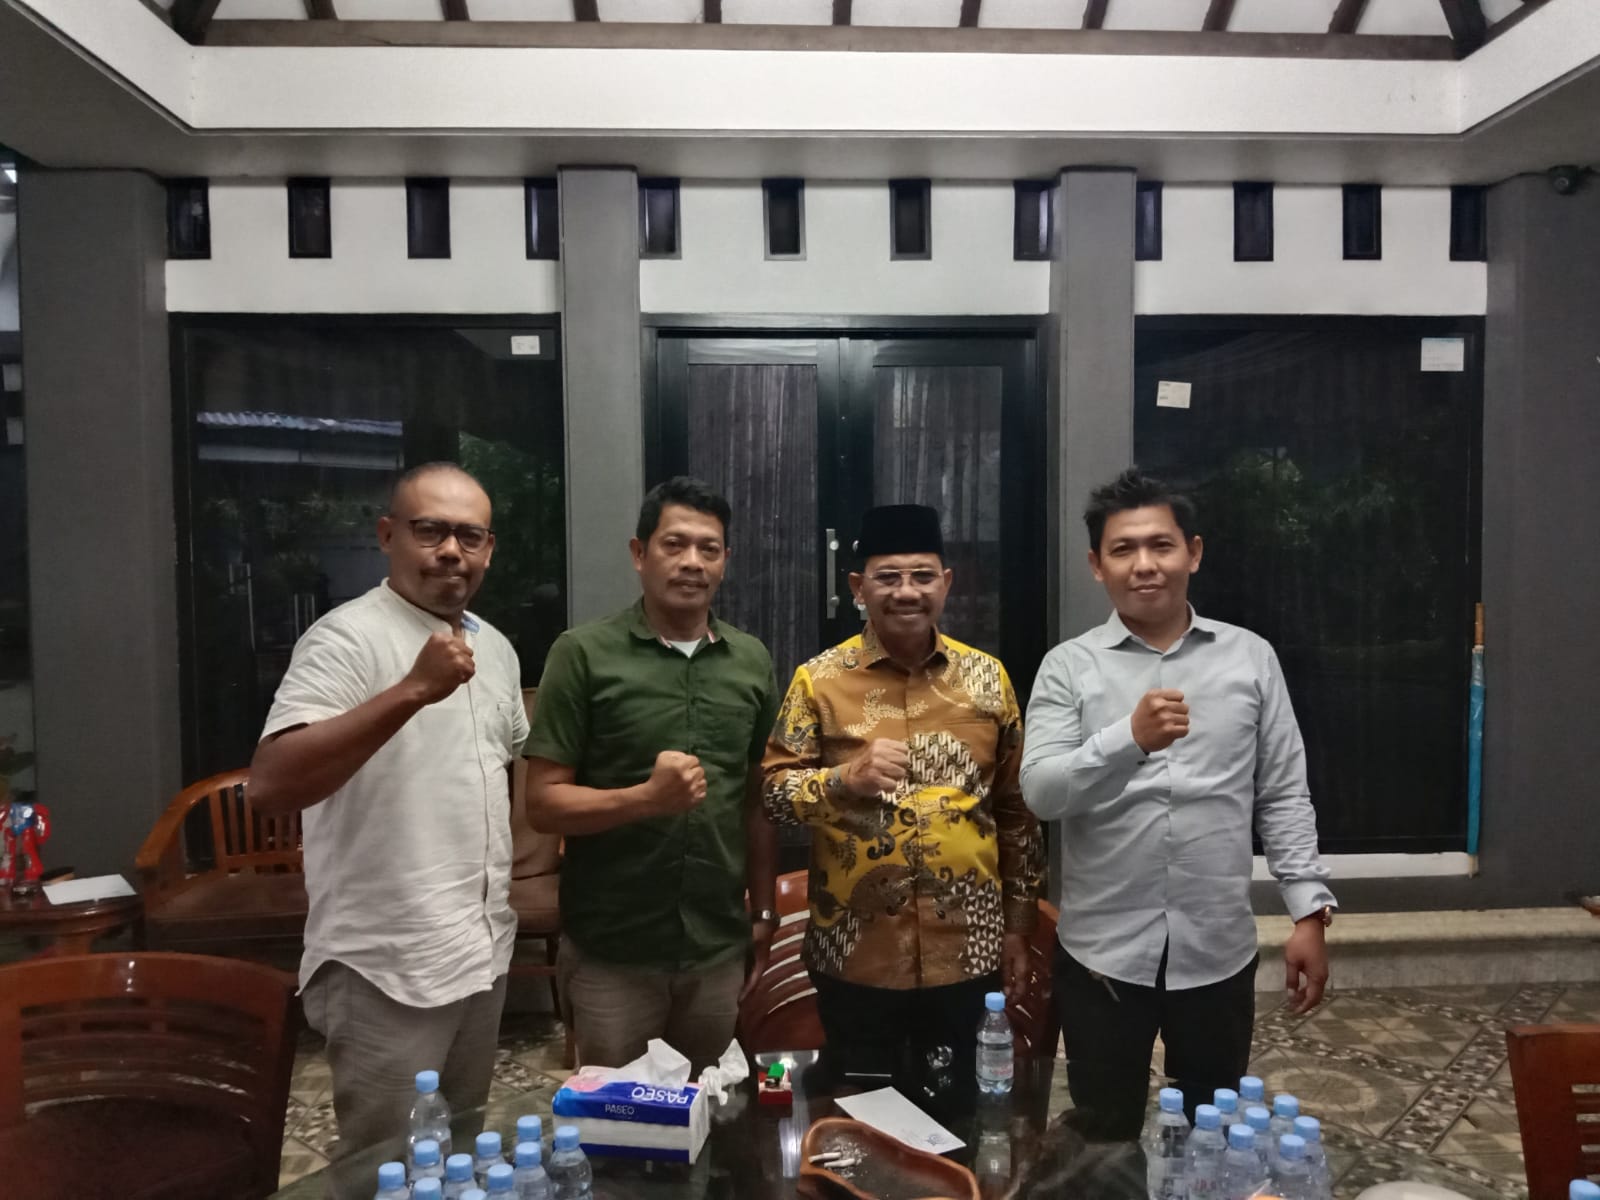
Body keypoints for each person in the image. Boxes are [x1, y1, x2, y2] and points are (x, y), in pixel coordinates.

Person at [1020, 468, 1336, 1140]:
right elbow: (1042, 793)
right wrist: (1127, 740)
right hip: (1103, 955)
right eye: (1123, 549)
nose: (1144, 564)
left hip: (1216, 948)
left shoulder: (1250, 659)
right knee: (1103, 1136)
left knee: (1211, 1133)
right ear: (1096, 565)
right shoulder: (1068, 667)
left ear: (1193, 552)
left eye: (1160, 545)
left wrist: (1308, 912)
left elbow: (1283, 792)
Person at [250, 462, 527, 1175]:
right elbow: (271, 786)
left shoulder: (495, 648)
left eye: (470, 536)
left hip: (479, 949)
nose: (451, 551)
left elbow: (497, 774)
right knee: (384, 1170)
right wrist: (412, 690)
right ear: (386, 535)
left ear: (489, 549)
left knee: (457, 1155)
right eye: (430, 530)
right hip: (385, 964)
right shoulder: (346, 639)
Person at [762, 504, 1044, 1094]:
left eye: (922, 575)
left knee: (961, 1110)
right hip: (857, 955)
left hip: (969, 951)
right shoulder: (819, 681)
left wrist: (1018, 929)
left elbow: (1016, 813)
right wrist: (844, 779)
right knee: (860, 1113)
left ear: (947, 582)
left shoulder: (988, 679)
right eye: (888, 577)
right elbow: (773, 796)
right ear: (857, 587)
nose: (907, 591)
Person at [522, 476, 780, 1071]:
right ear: (640, 554)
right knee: (616, 1118)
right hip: (614, 950)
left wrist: (764, 911)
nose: (692, 562)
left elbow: (758, 800)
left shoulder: (750, 660)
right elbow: (543, 803)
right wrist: (645, 799)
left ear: (725, 560)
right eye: (674, 544)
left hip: (716, 946)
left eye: (709, 548)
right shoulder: (582, 654)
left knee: (711, 1112)